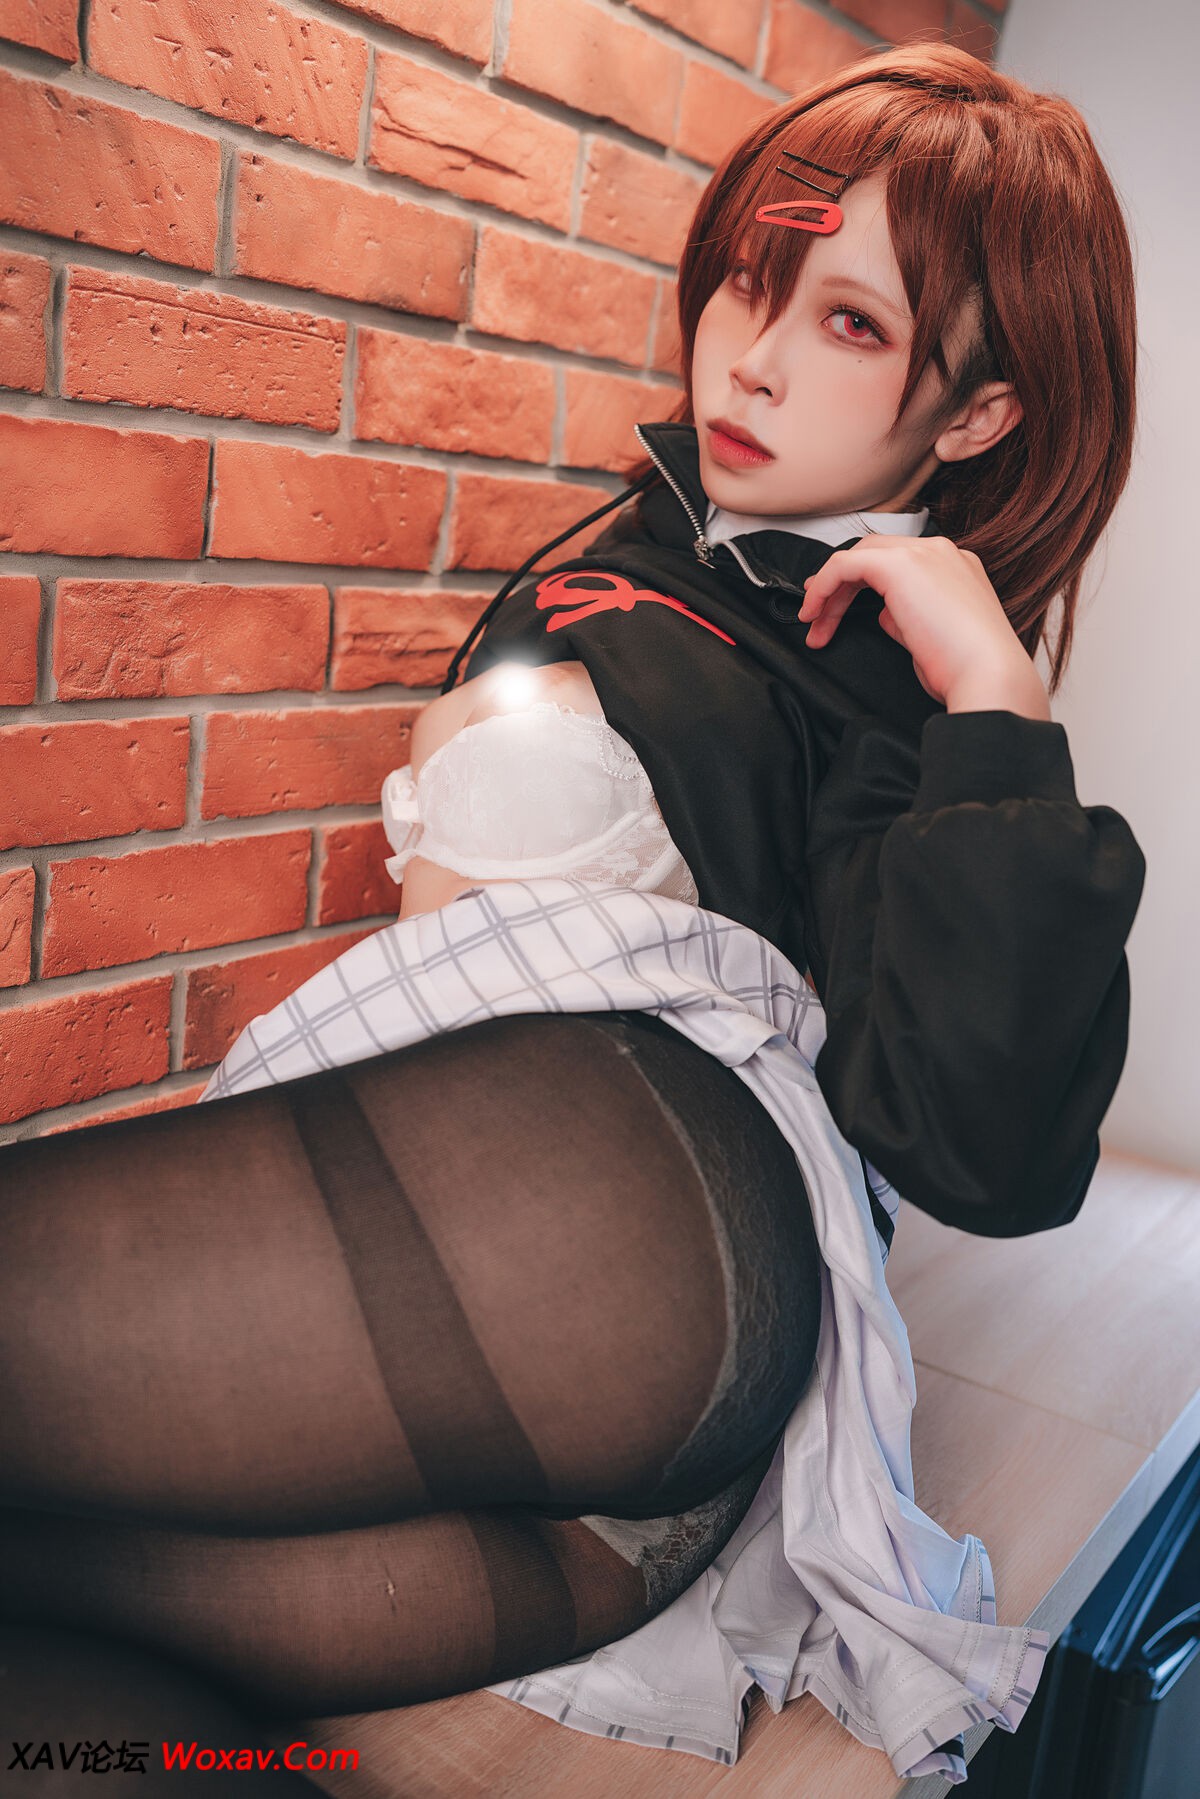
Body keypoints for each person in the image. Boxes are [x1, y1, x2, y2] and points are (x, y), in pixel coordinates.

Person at [0, 39, 1146, 1791]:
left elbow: (987, 1156)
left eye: (850, 324)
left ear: (976, 414)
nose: (750, 357)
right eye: (748, 284)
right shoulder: (635, 554)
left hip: (648, 1250)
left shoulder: (891, 684)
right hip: (568, 1455)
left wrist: (994, 699)